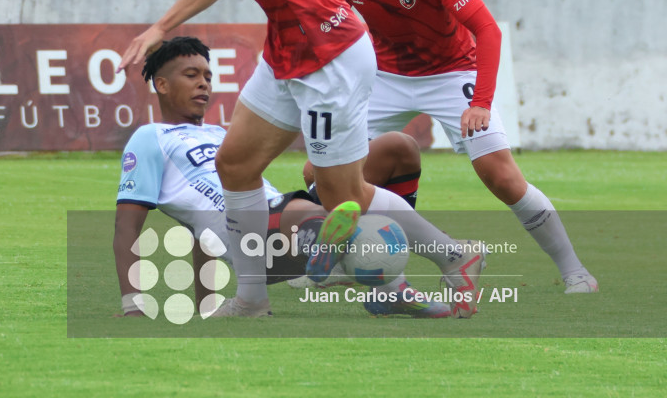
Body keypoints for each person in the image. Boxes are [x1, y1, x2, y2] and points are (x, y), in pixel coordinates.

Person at [116, 0, 484, 317]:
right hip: (287, 51)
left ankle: (455, 256)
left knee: (343, 196)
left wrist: (160, 28)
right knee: (235, 165)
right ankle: (251, 299)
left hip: (329, 60)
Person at [337, 0, 597, 294]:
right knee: (322, 171)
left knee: (501, 176)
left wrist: (481, 101)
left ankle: (575, 271)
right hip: (385, 75)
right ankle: (331, 260)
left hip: (451, 71)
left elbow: (487, 30)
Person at [113, 37, 463, 319]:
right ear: (161, 84)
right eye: (191, 75)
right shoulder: (149, 138)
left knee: (396, 148)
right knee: (313, 216)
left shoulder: (221, 135)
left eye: (207, 76)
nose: (203, 83)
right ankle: (343, 259)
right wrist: (133, 304)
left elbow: (197, 231)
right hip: (256, 237)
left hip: (277, 215)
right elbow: (129, 228)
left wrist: (206, 304)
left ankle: (365, 275)